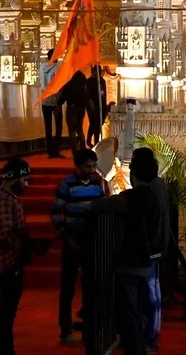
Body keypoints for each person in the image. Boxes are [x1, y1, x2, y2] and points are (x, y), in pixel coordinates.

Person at [92, 150, 166, 355]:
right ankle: (144, 341)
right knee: (142, 306)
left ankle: (136, 349)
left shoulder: (133, 197)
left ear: (134, 174)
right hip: (147, 258)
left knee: (129, 312)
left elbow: (102, 205)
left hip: (131, 261)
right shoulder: (155, 193)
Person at [51, 147, 109, 344]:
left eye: (93, 166)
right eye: (87, 166)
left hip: (91, 241)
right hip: (71, 241)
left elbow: (102, 207)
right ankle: (65, 330)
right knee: (67, 288)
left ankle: (89, 327)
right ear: (78, 166)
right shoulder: (67, 185)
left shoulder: (96, 183)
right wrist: (66, 235)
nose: (91, 170)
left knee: (90, 286)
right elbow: (56, 212)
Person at [0, 157, 45, 355]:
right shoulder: (4, 200)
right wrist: (30, 245)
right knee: (6, 313)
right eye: (25, 179)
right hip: (6, 263)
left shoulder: (7, 197)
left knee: (7, 312)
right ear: (14, 178)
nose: (27, 183)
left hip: (10, 262)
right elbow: (6, 234)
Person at [131, 148, 169, 353]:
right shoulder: (160, 185)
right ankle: (153, 334)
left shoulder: (148, 190)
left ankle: (150, 336)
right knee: (153, 289)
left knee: (149, 294)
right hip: (158, 245)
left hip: (149, 246)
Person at [61, 71, 88, 152]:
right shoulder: (82, 76)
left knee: (72, 129)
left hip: (72, 106)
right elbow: (85, 91)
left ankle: (75, 150)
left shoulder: (69, 76)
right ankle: (83, 148)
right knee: (80, 129)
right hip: (81, 106)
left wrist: (59, 103)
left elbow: (65, 92)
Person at [85, 69, 104, 148]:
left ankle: (97, 143)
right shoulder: (89, 81)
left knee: (98, 126)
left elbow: (104, 94)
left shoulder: (102, 81)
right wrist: (90, 103)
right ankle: (89, 141)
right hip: (92, 106)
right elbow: (87, 94)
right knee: (93, 123)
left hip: (101, 105)